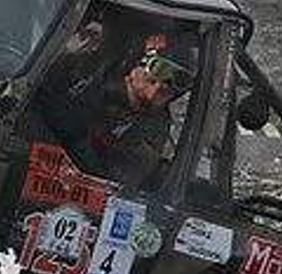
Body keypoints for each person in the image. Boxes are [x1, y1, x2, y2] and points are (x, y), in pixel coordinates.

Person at [32, 18, 196, 187]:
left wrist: (78, 141)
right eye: (160, 68)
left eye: (178, 80)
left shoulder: (153, 129)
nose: (162, 83)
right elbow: (37, 84)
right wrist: (66, 54)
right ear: (139, 63)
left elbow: (118, 178)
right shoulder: (94, 69)